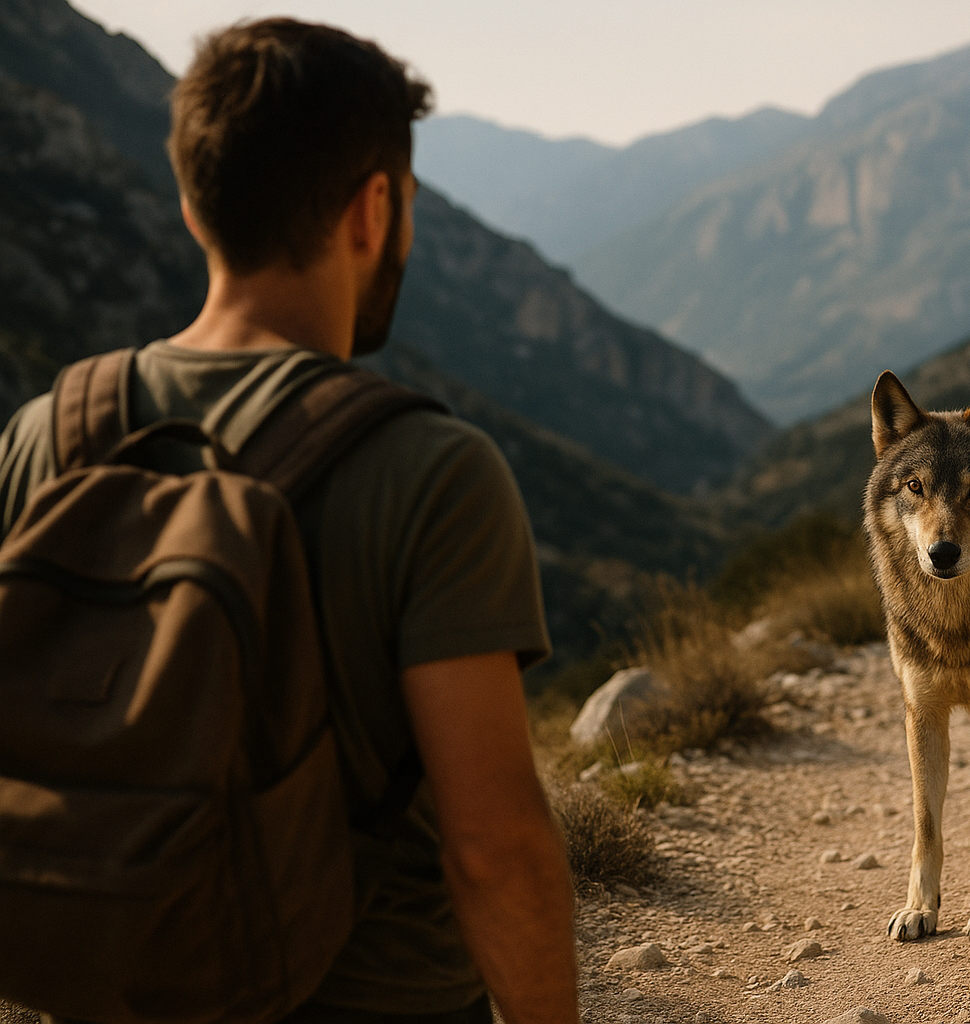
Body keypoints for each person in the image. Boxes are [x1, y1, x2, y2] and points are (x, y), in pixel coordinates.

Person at [0, 19, 580, 1024]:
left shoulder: (44, 438)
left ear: (191, 206)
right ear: (374, 210)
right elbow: (495, 848)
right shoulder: (431, 473)